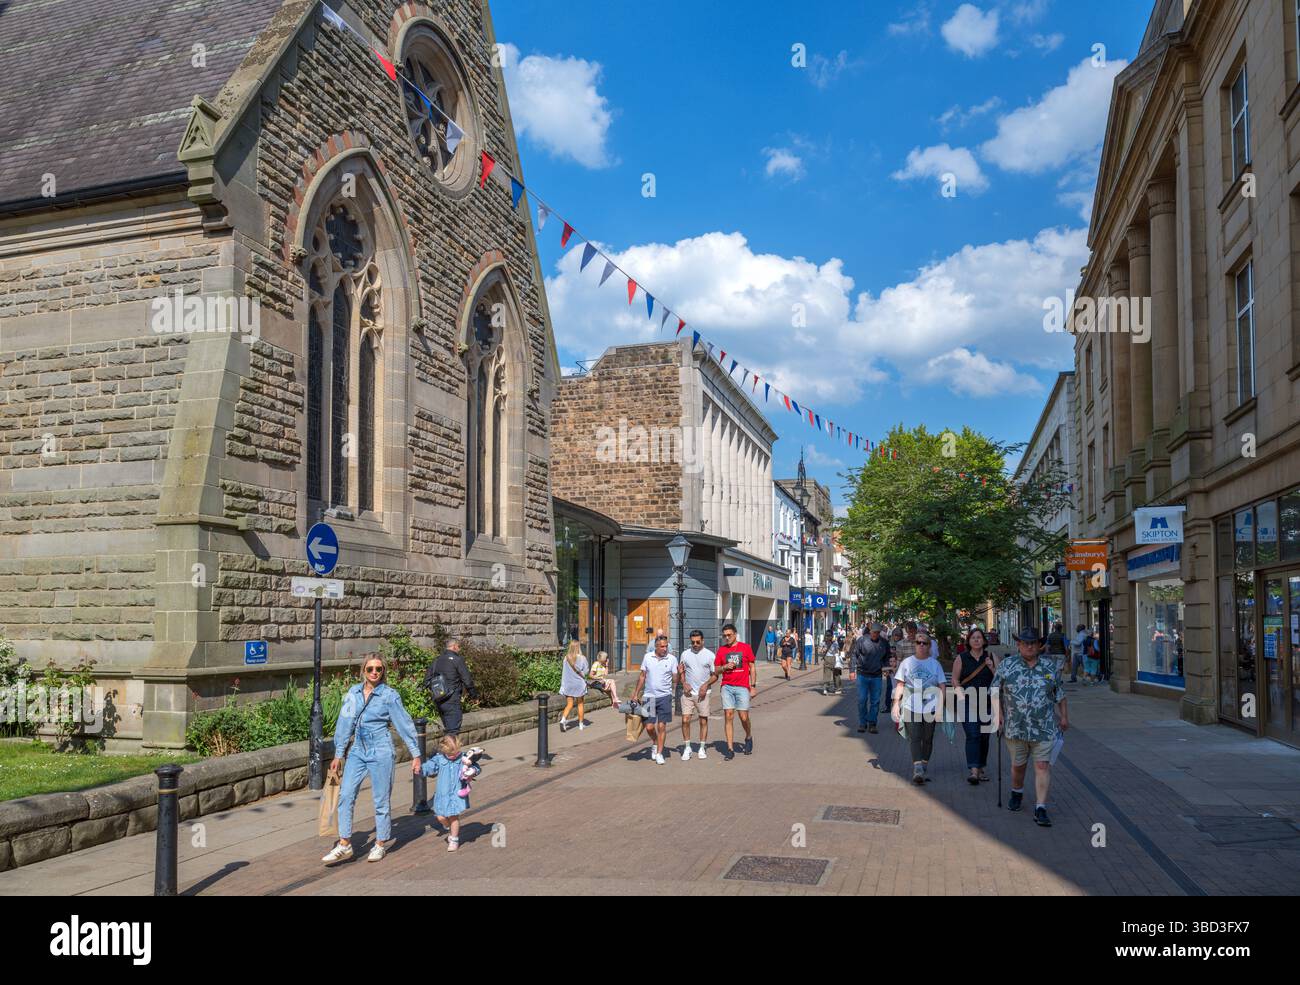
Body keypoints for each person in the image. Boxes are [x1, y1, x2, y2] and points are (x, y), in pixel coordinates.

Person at [322, 656, 421, 865]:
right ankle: (345, 844)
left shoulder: (389, 695)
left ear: (383, 671)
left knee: (381, 800)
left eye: (378, 669)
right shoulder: (353, 693)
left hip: (381, 750)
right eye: (370, 669)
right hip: (357, 750)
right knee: (346, 795)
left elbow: (404, 724)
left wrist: (416, 754)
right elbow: (344, 723)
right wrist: (339, 754)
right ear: (363, 670)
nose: (374, 672)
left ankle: (380, 844)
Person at [991, 626, 1069, 827]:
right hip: (1015, 728)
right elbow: (993, 692)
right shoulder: (1007, 665)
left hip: (1044, 728)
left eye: (1033, 642)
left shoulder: (1049, 667)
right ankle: (1016, 792)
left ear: (1039, 645)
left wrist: (1064, 717)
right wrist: (998, 716)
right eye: (1025, 642)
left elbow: (1060, 693)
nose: (1029, 646)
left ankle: (1040, 807)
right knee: (1018, 766)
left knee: (1042, 765)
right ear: (1018, 644)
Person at [890, 629, 947, 784]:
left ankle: (924, 765)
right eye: (918, 642)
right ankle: (918, 769)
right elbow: (900, 684)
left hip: (931, 706)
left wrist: (941, 706)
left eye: (924, 643)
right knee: (915, 737)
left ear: (929, 646)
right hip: (910, 705)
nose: (921, 645)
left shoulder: (935, 664)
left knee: (928, 738)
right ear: (914, 645)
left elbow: (942, 686)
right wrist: (896, 704)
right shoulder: (907, 663)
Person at [702, 623, 756, 760]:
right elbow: (716, 670)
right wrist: (724, 667)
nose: (727, 638)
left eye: (729, 635)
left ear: (735, 634)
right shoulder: (721, 651)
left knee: (743, 716)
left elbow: (752, 667)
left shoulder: (745, 648)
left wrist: (753, 686)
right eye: (724, 636)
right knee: (729, 714)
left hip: (743, 686)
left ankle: (748, 736)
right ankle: (730, 749)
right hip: (727, 686)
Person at [953, 627, 997, 784]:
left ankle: (981, 766)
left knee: (984, 737)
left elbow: (1000, 679)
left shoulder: (991, 656)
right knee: (973, 735)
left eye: (979, 637)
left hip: (986, 702)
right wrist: (960, 696)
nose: (977, 640)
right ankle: (973, 771)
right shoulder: (961, 658)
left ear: (984, 641)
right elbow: (955, 680)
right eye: (973, 638)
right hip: (968, 702)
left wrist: (992, 667)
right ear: (969, 641)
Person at [630, 634, 679, 764]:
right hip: (649, 697)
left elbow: (675, 679)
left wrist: (678, 675)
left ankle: (659, 753)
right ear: (656, 647)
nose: (665, 649)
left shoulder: (672, 659)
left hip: (665, 697)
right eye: (662, 646)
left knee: (662, 726)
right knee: (650, 727)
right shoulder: (648, 657)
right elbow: (642, 676)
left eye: (666, 646)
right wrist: (635, 694)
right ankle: (655, 742)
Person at [419, 733, 472, 852]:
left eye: (455, 753)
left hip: (455, 794)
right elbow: (430, 766)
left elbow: (476, 767)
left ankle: (454, 839)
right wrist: (421, 769)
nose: (453, 756)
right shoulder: (439, 758)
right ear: (443, 750)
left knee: (453, 817)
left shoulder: (463, 758)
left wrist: (472, 769)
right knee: (440, 817)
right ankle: (449, 827)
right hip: (442, 795)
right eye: (450, 754)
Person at [422, 638, 477, 737]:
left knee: (449, 730)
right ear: (454, 646)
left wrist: (438, 691)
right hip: (452, 699)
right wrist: (474, 696)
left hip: (439, 700)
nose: (459, 649)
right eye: (458, 647)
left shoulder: (437, 660)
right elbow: (467, 681)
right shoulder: (457, 660)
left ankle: (448, 751)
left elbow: (426, 681)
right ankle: (450, 752)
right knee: (453, 731)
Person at [678, 629, 715, 760]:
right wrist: (683, 682)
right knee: (685, 720)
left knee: (703, 721)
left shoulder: (710, 655)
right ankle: (687, 747)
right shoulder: (685, 654)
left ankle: (702, 747)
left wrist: (706, 685)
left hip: (703, 694)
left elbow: (715, 675)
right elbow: (681, 671)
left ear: (702, 641)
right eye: (693, 642)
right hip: (688, 693)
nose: (695, 644)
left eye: (698, 642)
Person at [848, 622, 891, 733]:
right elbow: (854, 655)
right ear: (870, 631)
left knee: (875, 701)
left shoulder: (884, 643)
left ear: (880, 632)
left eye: (877, 632)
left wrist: (886, 667)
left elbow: (887, 657)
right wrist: (852, 670)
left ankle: (872, 723)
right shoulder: (862, 640)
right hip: (862, 674)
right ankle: (863, 723)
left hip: (877, 676)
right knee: (862, 700)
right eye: (873, 632)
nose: (875, 634)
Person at [558, 639, 589, 732]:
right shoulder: (582, 658)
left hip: (569, 684)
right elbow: (586, 671)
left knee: (569, 704)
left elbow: (564, 673)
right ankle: (580, 725)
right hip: (579, 684)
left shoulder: (566, 658)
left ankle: (563, 720)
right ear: (578, 647)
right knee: (580, 704)